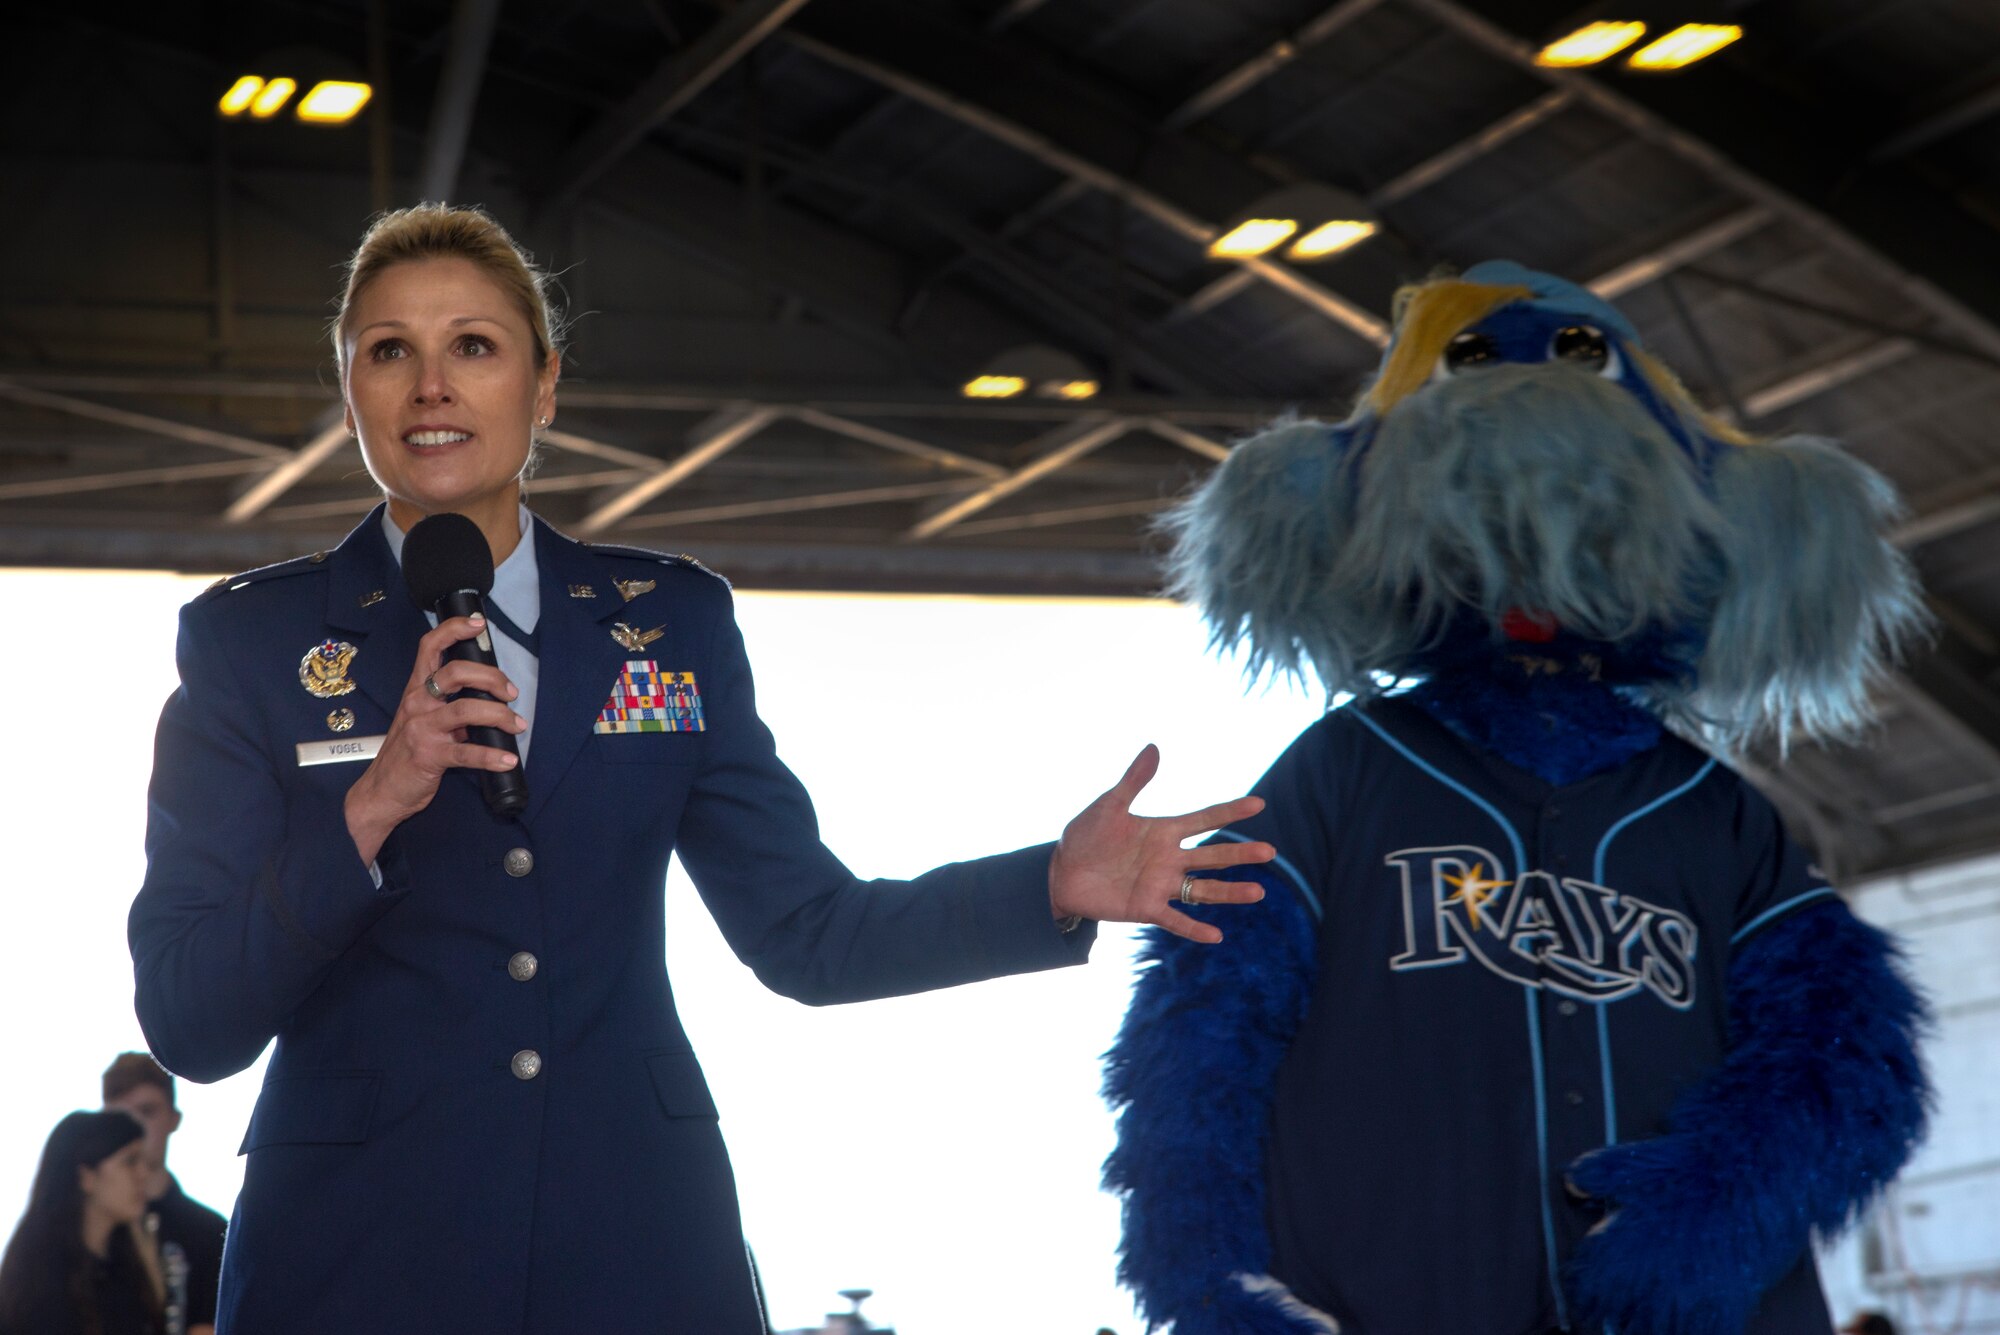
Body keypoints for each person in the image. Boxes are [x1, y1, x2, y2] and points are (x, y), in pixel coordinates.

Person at [128, 202, 1274, 1332]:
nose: (433, 385)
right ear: (351, 394)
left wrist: (1047, 888)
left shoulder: (669, 623)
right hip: (357, 1254)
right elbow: (190, 1019)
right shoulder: (252, 643)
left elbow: (809, 934)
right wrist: (371, 806)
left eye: (473, 346)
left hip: (632, 1241)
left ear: (545, 386)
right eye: (390, 352)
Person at [0, 1110, 166, 1335]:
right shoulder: (42, 1285)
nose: (143, 1174)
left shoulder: (125, 1268)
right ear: (86, 1177)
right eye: (130, 1161)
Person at [101, 1054, 223, 1335]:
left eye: (147, 1111)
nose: (134, 1130)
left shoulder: (210, 1232)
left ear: (174, 1118)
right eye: (120, 1117)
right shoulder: (76, 1228)